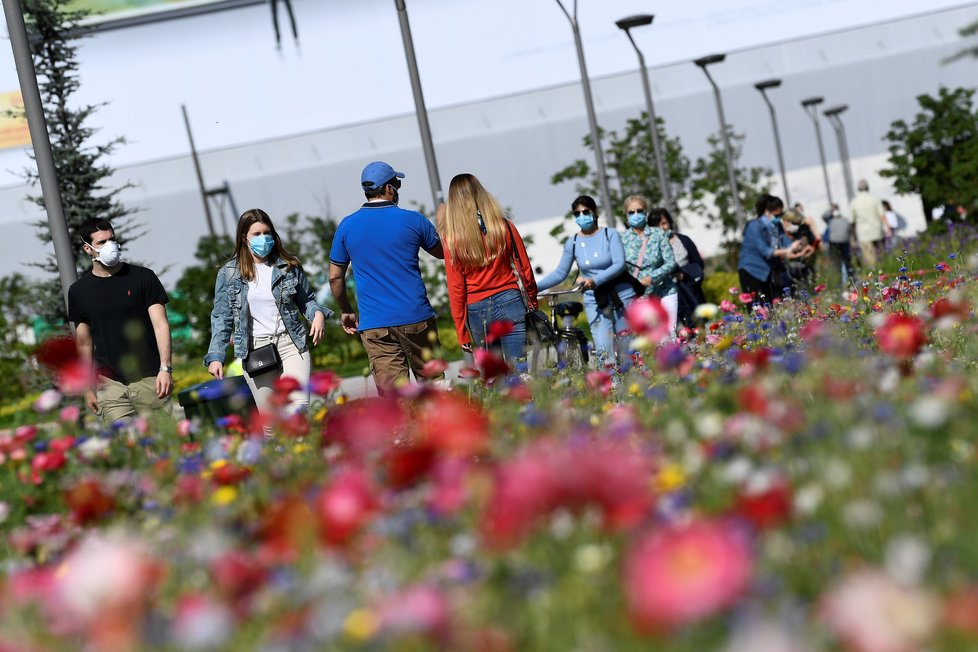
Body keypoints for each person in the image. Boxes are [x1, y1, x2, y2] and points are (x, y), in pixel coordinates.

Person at [206, 209, 331, 433]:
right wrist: (216, 356)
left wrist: (318, 314)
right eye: (257, 234)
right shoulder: (229, 273)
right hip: (256, 350)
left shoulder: (288, 265)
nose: (263, 238)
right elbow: (221, 317)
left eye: (267, 232)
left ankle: (303, 460)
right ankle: (283, 465)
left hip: (291, 344)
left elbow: (308, 301)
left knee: (297, 410)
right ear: (244, 238)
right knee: (270, 424)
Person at [329, 161, 446, 396]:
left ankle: (404, 434)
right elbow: (444, 253)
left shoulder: (347, 226)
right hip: (416, 317)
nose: (398, 189)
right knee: (434, 388)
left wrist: (346, 310)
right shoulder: (414, 220)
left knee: (395, 400)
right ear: (389, 188)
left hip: (375, 324)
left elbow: (335, 278)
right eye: (397, 183)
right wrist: (443, 223)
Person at [67, 218, 173, 425]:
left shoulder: (143, 277)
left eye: (112, 239)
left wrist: (165, 368)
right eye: (101, 242)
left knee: (163, 449)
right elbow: (83, 342)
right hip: (109, 385)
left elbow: (161, 325)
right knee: (126, 449)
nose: (110, 246)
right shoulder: (79, 291)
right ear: (88, 249)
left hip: (150, 379)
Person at [437, 173, 537, 363]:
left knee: (494, 374)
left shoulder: (452, 241)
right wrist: (532, 299)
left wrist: (461, 330)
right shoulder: (504, 226)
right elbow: (524, 269)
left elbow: (456, 288)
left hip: (477, 308)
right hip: (510, 300)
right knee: (519, 368)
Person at [536, 195, 637, 366]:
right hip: (594, 298)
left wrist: (595, 279)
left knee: (628, 345)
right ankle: (612, 384)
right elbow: (560, 272)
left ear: (594, 212)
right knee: (603, 347)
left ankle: (636, 379)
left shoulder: (609, 234)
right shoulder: (573, 242)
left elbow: (619, 264)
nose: (582, 216)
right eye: (577, 214)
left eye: (585, 212)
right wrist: (533, 287)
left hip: (620, 295)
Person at [620, 195, 677, 338]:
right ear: (626, 215)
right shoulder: (621, 239)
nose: (636, 214)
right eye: (631, 212)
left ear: (646, 212)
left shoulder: (658, 234)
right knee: (651, 340)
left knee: (669, 334)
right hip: (641, 297)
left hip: (665, 290)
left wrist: (653, 276)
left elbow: (671, 262)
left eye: (639, 210)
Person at [737, 195, 804, 305]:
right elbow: (766, 251)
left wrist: (798, 245)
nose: (779, 218)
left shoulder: (776, 226)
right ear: (767, 211)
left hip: (767, 272)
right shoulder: (753, 226)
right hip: (752, 271)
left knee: (771, 308)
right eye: (777, 215)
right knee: (758, 308)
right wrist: (788, 250)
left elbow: (786, 243)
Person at [651, 207, 706, 329]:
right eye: (657, 225)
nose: (662, 227)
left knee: (696, 324)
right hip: (666, 292)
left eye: (664, 223)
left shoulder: (683, 240)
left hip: (688, 287)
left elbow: (698, 263)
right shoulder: (652, 247)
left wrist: (685, 273)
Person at [849, 179, 891, 268]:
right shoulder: (875, 199)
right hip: (877, 231)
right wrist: (888, 228)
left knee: (870, 260)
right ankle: (884, 272)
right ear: (868, 187)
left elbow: (852, 222)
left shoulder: (855, 201)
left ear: (858, 189)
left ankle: (874, 277)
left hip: (864, 234)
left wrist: (853, 237)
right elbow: (882, 215)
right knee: (881, 256)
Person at [822, 204, 854, 288]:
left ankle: (851, 280)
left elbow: (849, 230)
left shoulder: (843, 219)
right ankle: (839, 282)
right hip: (835, 244)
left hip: (844, 243)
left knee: (847, 262)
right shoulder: (830, 219)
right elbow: (824, 216)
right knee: (837, 264)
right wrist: (830, 210)